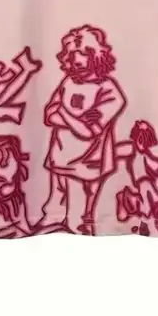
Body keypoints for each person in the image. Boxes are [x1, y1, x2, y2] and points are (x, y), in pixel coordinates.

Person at [39, 25, 127, 234]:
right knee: (54, 208)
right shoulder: (68, 82)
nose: (76, 60)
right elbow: (49, 115)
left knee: (79, 217)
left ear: (96, 55)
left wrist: (64, 114)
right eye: (71, 55)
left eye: (82, 54)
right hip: (59, 156)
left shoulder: (110, 91)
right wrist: (77, 119)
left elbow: (89, 132)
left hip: (89, 162)